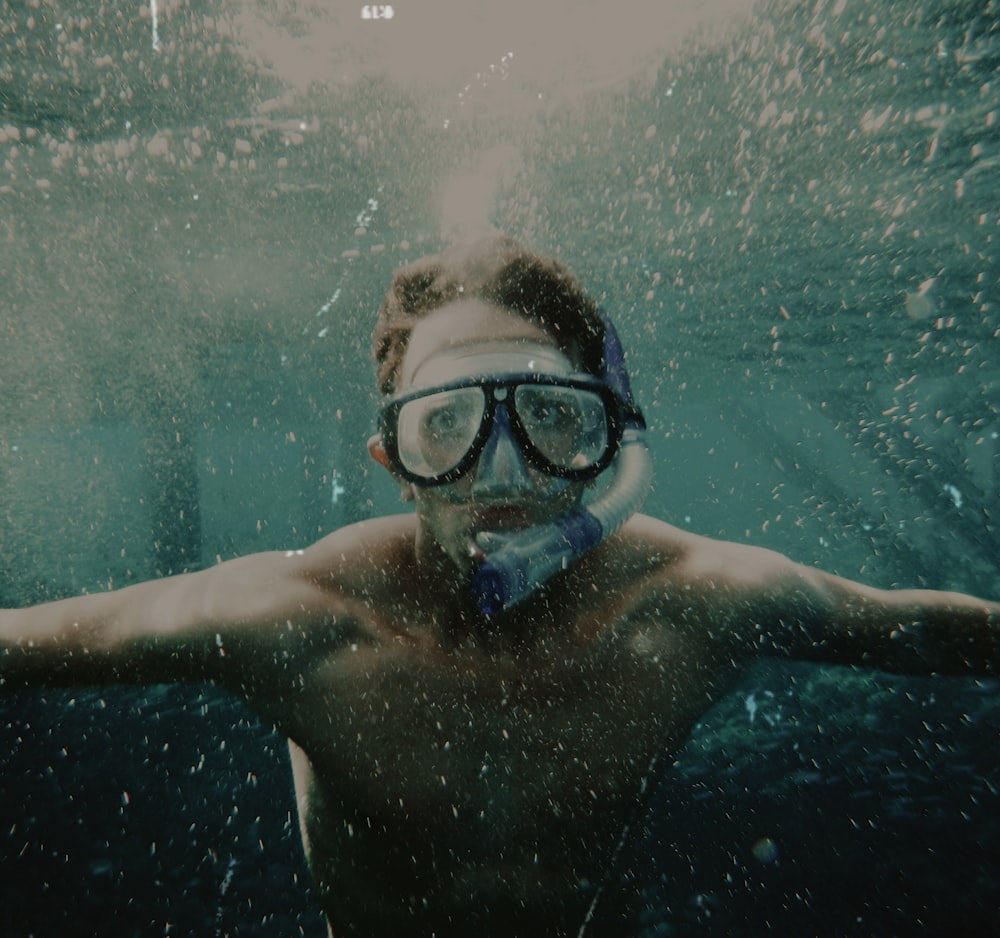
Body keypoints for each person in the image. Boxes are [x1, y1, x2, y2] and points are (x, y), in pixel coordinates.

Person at [1, 235, 997, 937]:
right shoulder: (296, 617)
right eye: (448, 427)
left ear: (608, 440)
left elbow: (926, 628)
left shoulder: (697, 600)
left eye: (552, 420)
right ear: (392, 457)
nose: (505, 472)